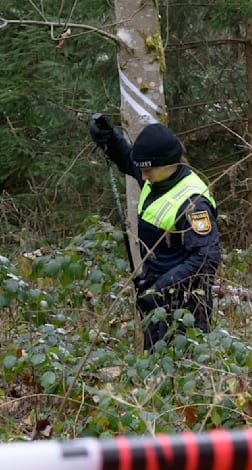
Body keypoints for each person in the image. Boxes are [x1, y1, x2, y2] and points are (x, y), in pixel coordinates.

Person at [89, 117, 222, 351]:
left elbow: (206, 259)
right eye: (142, 169)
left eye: (147, 170)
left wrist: (160, 289)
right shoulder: (156, 176)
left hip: (186, 305)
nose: (142, 176)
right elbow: (129, 160)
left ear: (167, 163)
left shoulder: (192, 203)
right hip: (155, 295)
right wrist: (109, 139)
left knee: (181, 371)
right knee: (154, 369)